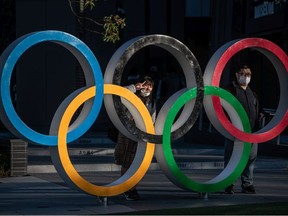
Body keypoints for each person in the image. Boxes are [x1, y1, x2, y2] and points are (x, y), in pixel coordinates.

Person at [114, 76, 156, 200]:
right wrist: (134, 87)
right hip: (129, 133)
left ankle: (132, 188)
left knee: (137, 164)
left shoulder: (152, 102)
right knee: (127, 162)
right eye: (145, 85)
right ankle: (126, 189)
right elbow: (118, 93)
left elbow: (153, 119)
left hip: (142, 136)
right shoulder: (131, 97)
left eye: (149, 85)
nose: (147, 88)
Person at [224, 65, 262, 194]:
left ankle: (247, 184)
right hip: (235, 130)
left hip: (252, 132)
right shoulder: (231, 90)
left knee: (251, 158)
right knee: (232, 158)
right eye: (243, 74)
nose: (246, 77)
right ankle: (228, 183)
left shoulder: (252, 92)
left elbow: (256, 109)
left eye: (248, 74)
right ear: (236, 74)